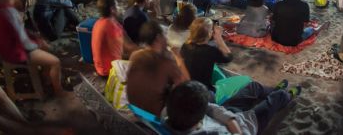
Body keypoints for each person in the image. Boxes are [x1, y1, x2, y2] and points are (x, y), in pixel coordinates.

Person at [0, 0, 65, 96]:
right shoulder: (8, 12)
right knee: (56, 62)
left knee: (46, 47)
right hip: (16, 52)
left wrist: (36, 38)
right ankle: (59, 91)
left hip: (6, 49)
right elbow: (23, 41)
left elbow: (17, 31)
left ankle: (46, 78)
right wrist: (37, 43)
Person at [164, 81, 300, 135]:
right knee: (279, 96)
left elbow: (210, 107)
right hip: (247, 124)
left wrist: (229, 119)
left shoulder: (168, 112)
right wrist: (234, 125)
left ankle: (274, 91)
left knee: (253, 86)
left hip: (228, 112)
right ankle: (286, 95)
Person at [126, 21, 189, 117]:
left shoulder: (135, 55)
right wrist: (179, 58)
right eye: (165, 35)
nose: (166, 39)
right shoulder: (166, 62)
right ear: (158, 38)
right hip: (154, 115)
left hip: (134, 108)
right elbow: (187, 83)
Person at [180, 18, 233, 91]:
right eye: (211, 30)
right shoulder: (210, 51)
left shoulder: (185, 46)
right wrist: (218, 37)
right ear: (209, 34)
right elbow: (229, 57)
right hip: (203, 90)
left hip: (188, 85)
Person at [92, 0, 138, 77]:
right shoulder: (111, 25)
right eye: (117, 5)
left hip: (100, 67)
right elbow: (129, 47)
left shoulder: (99, 22)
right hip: (109, 70)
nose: (119, 7)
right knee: (143, 58)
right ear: (112, 9)